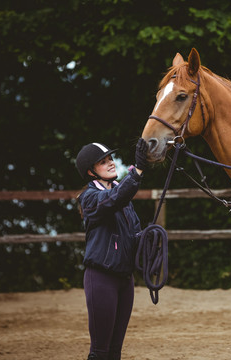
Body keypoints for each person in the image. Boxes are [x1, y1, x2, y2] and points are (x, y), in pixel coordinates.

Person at [75, 139, 148, 360]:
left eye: (110, 159)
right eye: (102, 162)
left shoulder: (120, 194)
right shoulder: (89, 197)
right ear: (90, 172)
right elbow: (112, 200)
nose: (110, 164)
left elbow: (132, 230)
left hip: (125, 279)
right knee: (100, 351)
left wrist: (146, 240)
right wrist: (137, 172)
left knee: (115, 351)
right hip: (101, 278)